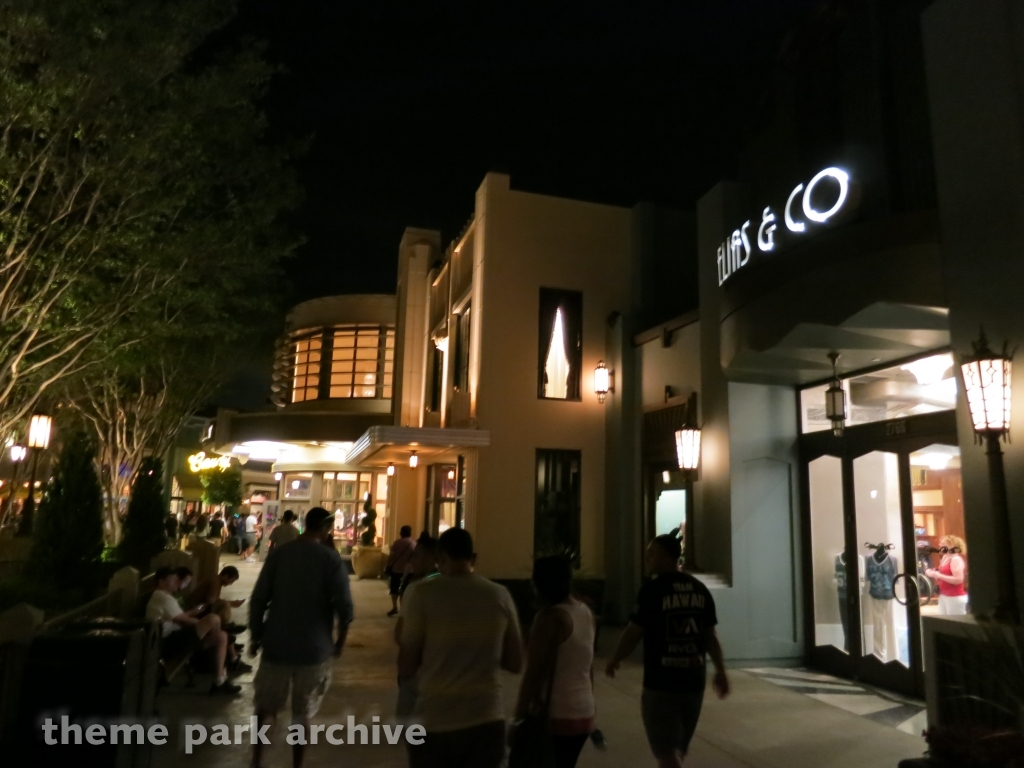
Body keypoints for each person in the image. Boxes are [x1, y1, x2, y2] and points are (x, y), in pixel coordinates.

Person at [398, 527, 524, 768]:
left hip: (435, 720)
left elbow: (406, 667)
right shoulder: (500, 595)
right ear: (473, 558)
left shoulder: (422, 595)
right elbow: (515, 662)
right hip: (487, 718)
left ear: (439, 559)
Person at [606, 535, 729, 768]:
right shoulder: (699, 590)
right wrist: (720, 670)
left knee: (666, 752)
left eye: (651, 553)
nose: (646, 558)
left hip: (661, 683)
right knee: (677, 749)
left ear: (665, 557)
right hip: (693, 681)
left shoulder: (652, 591)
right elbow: (710, 636)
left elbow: (633, 632)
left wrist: (615, 659)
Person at [249, 507, 354, 768]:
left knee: (266, 708)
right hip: (314, 647)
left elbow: (259, 597)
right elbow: (344, 605)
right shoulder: (330, 559)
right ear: (326, 526)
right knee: (302, 714)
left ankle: (257, 761)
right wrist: (340, 641)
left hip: (277, 644)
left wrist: (256, 634)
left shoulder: (280, 555)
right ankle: (297, 764)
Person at [513, 555, 595, 768]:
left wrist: (518, 718)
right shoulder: (585, 612)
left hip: (557, 715)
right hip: (583, 711)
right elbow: (589, 667)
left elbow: (534, 674)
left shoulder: (549, 619)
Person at [145, 567, 250, 695]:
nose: (176, 582)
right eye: (173, 580)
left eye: (176, 579)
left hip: (177, 636)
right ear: (161, 582)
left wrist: (203, 624)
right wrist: (204, 624)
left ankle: (220, 682)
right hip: (167, 641)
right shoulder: (162, 597)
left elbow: (181, 618)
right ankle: (220, 639)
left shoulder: (167, 597)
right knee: (213, 619)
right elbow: (184, 620)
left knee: (221, 637)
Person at [189, 565, 247, 633]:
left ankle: (222, 626)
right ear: (226, 576)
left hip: (199, 606)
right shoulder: (215, 582)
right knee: (224, 604)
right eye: (231, 581)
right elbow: (211, 601)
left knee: (224, 603)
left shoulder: (216, 581)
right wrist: (232, 603)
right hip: (195, 608)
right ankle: (222, 626)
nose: (230, 584)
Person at [926, 535, 968, 615]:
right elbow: (943, 573)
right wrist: (932, 572)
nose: (940, 545)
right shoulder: (945, 557)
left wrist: (939, 576)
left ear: (951, 545)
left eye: (943, 544)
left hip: (955, 596)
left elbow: (958, 579)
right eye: (940, 543)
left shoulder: (955, 559)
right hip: (944, 595)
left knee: (955, 623)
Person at [386, 525, 417, 616]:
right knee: (404, 589)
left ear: (401, 533)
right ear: (410, 533)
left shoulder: (396, 543)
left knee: (394, 589)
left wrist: (388, 565)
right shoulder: (413, 544)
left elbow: (391, 556)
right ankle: (403, 608)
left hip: (396, 569)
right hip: (409, 570)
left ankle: (395, 607)